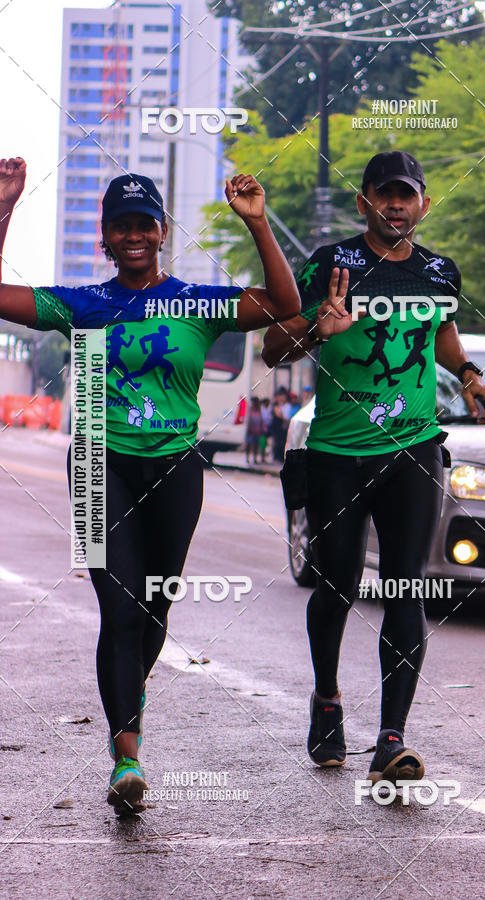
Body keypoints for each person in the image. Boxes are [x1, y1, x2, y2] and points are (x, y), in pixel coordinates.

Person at [0, 157, 300, 815]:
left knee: (156, 609)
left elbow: (285, 304)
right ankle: (126, 757)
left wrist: (259, 226)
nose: (133, 235)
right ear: (105, 238)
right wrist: (6, 208)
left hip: (174, 468)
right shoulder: (85, 303)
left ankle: (129, 726)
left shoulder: (199, 302)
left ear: (162, 230)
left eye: (144, 223)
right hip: (99, 466)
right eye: (121, 226)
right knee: (121, 609)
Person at [262, 151, 485, 787]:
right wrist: (316, 326)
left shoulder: (440, 271)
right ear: (363, 202)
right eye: (383, 195)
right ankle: (328, 701)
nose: (396, 204)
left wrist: (468, 374)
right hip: (338, 453)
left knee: (405, 585)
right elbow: (273, 347)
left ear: (423, 203)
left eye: (407, 195)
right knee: (335, 584)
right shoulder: (332, 265)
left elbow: (442, 332)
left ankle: (392, 737)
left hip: (414, 449)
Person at [270, 386, 291, 463]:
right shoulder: (276, 405)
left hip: (283, 427)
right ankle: (276, 457)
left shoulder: (287, 405)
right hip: (277, 427)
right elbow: (277, 414)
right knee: (277, 442)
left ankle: (281, 457)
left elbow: (285, 416)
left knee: (282, 442)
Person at [245, 396, 263, 465]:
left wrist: (261, 428)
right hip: (250, 430)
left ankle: (255, 458)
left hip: (257, 430)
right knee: (249, 444)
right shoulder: (250, 409)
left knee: (256, 444)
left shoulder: (259, 410)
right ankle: (247, 458)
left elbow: (261, 420)